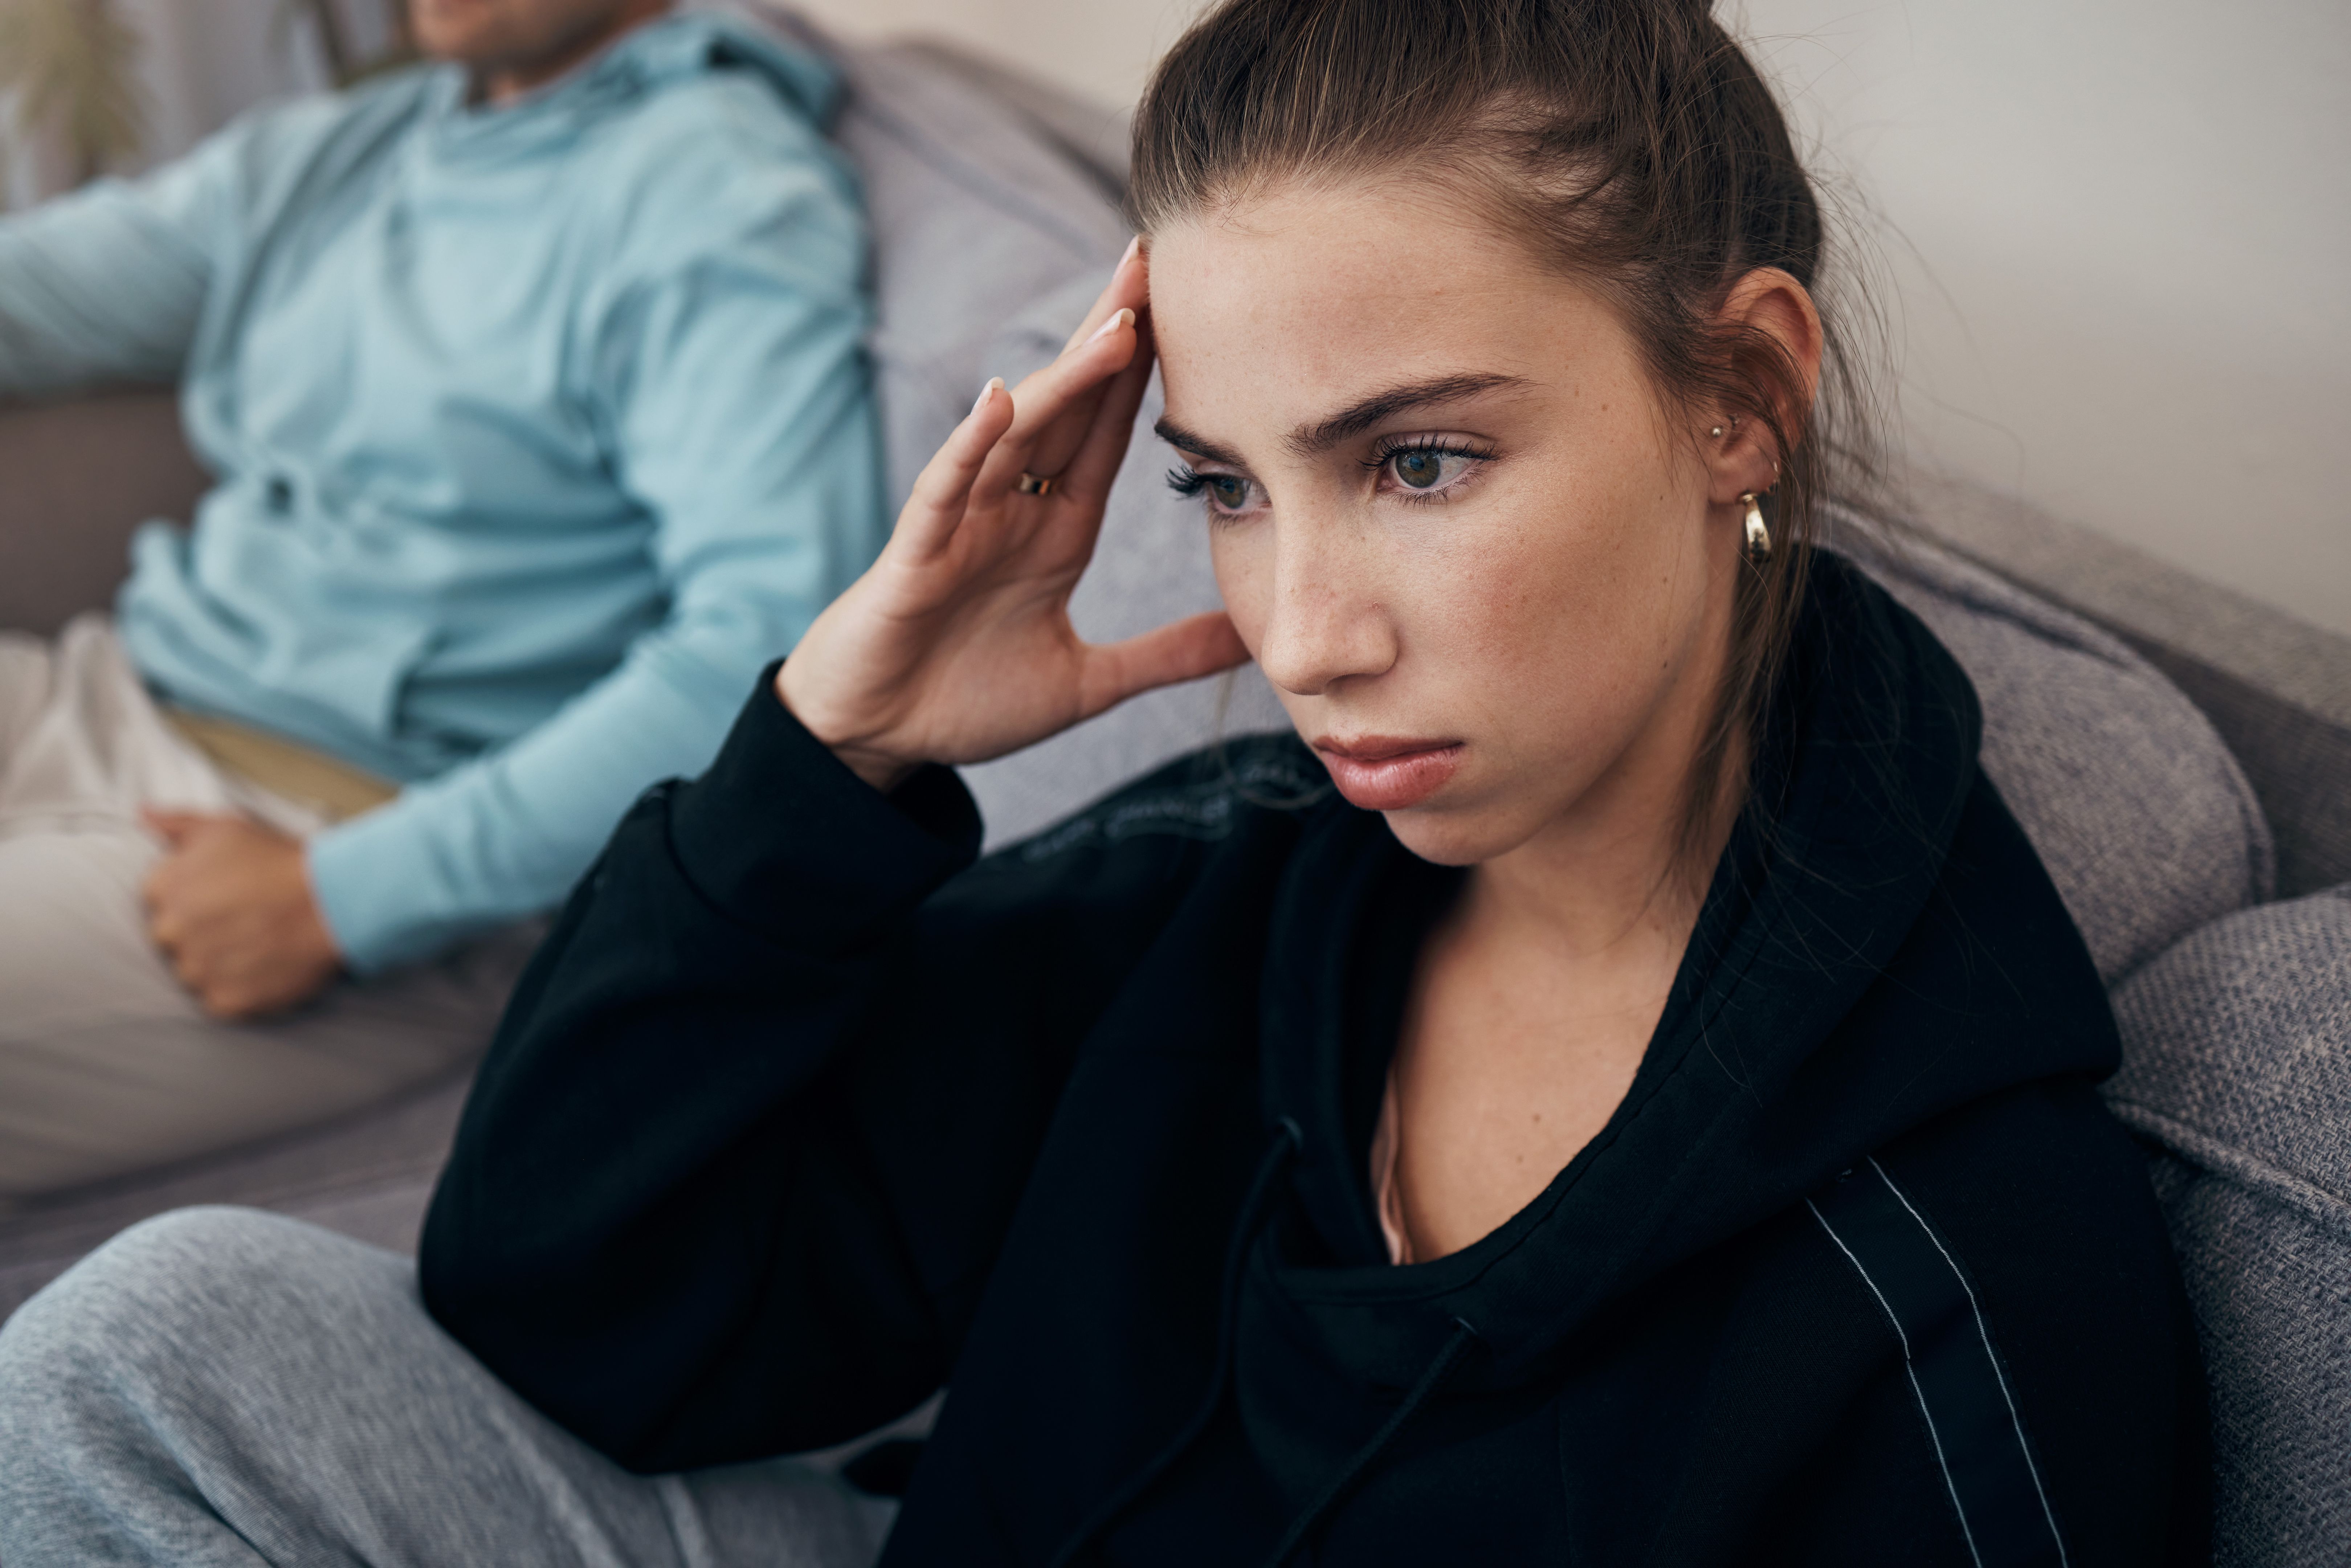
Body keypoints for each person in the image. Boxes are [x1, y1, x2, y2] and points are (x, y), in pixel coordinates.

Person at [0, 0, 2208, 1562]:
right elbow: (581, 1310)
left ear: (1740, 394)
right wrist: (823, 767)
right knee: (150, 1345)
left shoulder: (1974, 1290)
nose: (1302, 631)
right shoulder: (1232, 894)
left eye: (1418, 462)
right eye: (1230, 489)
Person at [0, 0, 884, 1195]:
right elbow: (34, 295)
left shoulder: (715, 192)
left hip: (340, 842)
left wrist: (340, 903)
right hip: (100, 698)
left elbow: (776, 659)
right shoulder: (365, 144)